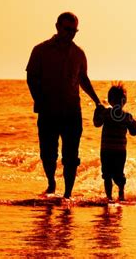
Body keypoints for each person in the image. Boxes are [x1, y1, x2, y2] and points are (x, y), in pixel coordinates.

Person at [26, 12, 101, 199]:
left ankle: (68, 195)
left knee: (71, 157)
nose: (70, 34)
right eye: (67, 29)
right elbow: (31, 78)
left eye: (74, 31)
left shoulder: (78, 53)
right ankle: (51, 182)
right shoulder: (40, 50)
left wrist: (97, 101)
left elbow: (83, 79)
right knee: (48, 153)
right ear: (57, 27)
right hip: (48, 110)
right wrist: (39, 99)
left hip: (72, 112)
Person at [93, 82, 136, 201]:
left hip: (108, 151)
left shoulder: (109, 113)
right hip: (117, 151)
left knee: (109, 175)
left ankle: (113, 195)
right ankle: (116, 195)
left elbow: (97, 124)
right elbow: (134, 132)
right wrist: (135, 126)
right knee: (113, 174)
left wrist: (97, 113)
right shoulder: (124, 116)